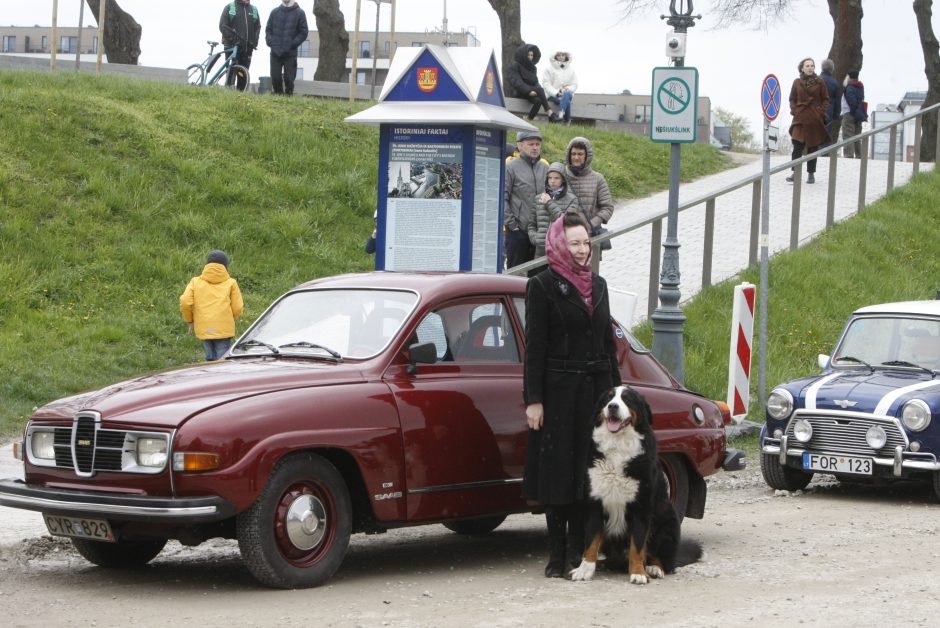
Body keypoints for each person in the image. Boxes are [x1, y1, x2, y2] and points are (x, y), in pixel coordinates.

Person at [523, 212, 621, 579]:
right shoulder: (542, 285)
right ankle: (556, 555)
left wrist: (618, 396)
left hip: (596, 394)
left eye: (586, 243)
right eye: (575, 243)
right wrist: (533, 399)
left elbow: (608, 345)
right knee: (557, 474)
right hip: (558, 392)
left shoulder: (599, 286)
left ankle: (583, 551)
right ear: (559, 245)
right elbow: (535, 348)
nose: (582, 251)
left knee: (588, 474)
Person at [179, 250, 244, 361]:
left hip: (204, 327)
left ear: (207, 264)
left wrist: (190, 320)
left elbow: (185, 302)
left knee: (209, 360)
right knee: (222, 362)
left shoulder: (195, 282)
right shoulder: (231, 283)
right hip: (223, 328)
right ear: (225, 266)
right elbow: (238, 308)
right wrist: (229, 316)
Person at [505, 130, 549, 269]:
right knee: (515, 275)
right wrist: (512, 226)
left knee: (538, 275)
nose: (535, 147)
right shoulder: (511, 167)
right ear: (520, 145)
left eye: (537, 144)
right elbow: (502, 198)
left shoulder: (545, 167)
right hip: (519, 232)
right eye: (531, 144)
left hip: (540, 232)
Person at [786, 57, 830, 184]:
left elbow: (826, 99)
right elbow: (792, 99)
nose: (810, 68)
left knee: (812, 147)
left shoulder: (820, 82)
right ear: (802, 68)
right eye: (807, 66)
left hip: (814, 119)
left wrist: (820, 112)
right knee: (797, 145)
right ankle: (795, 172)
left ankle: (811, 174)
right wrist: (794, 110)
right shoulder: (797, 82)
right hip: (799, 118)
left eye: (812, 66)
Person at [528, 162, 581, 261]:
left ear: (563, 180)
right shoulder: (538, 198)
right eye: (550, 178)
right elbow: (531, 224)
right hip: (540, 252)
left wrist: (549, 203)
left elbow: (567, 222)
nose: (552, 181)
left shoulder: (572, 199)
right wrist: (536, 239)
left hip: (561, 251)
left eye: (556, 178)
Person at [564, 136, 614, 240]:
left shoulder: (598, 179)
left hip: (589, 236)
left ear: (587, 156)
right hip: (565, 236)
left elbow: (607, 208)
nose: (576, 158)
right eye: (573, 154)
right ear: (569, 155)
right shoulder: (560, 176)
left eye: (580, 154)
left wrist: (590, 224)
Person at [508, 42, 561, 122]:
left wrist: (536, 91)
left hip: (531, 93)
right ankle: (550, 113)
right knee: (540, 90)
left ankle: (529, 121)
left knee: (538, 101)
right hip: (519, 92)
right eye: (528, 55)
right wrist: (529, 91)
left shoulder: (533, 68)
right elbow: (516, 82)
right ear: (523, 54)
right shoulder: (515, 65)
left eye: (531, 55)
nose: (530, 57)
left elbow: (535, 82)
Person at [265, 0, 309, 96]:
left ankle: (288, 98)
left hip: (290, 53)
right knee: (275, 78)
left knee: (289, 79)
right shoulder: (274, 12)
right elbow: (268, 29)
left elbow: (303, 32)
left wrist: (292, 44)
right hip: (275, 52)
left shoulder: (300, 13)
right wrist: (270, 42)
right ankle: (278, 98)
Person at [218, 0, 261, 90]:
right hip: (232, 47)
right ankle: (228, 95)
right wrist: (233, 39)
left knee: (243, 75)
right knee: (231, 73)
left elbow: (257, 27)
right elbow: (222, 25)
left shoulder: (253, 9)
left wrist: (254, 41)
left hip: (247, 48)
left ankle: (240, 97)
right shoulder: (230, 8)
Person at [542, 51, 578, 125]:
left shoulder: (571, 70)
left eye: (563, 55)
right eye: (559, 55)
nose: (561, 57)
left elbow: (575, 84)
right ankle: (566, 121)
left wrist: (566, 89)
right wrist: (557, 93)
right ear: (555, 56)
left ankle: (561, 114)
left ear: (566, 56)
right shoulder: (549, 69)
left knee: (567, 94)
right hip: (552, 96)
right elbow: (546, 84)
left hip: (567, 94)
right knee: (566, 101)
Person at [841, 69, 868, 158]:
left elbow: (851, 101)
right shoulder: (860, 86)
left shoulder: (849, 87)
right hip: (859, 114)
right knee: (857, 136)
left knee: (848, 135)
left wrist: (852, 111)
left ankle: (848, 155)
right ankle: (859, 155)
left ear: (849, 77)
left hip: (849, 114)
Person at [819, 58, 840, 146]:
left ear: (822, 68)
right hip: (828, 111)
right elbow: (837, 101)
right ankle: (823, 156)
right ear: (832, 69)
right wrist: (836, 115)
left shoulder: (816, 80)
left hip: (815, 110)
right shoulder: (834, 83)